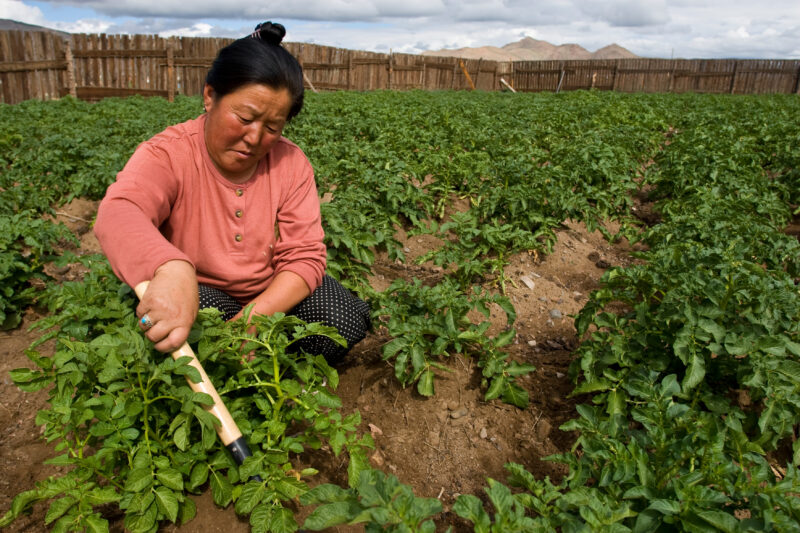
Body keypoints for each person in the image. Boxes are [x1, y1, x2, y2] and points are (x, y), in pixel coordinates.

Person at [94, 22, 370, 364]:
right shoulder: (168, 154)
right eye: (244, 117)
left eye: (272, 127)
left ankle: (271, 370)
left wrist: (253, 322)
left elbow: (305, 257)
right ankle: (242, 364)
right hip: (198, 293)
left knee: (341, 318)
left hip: (268, 298)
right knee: (194, 322)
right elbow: (119, 212)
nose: (255, 138)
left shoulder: (290, 163)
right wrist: (172, 267)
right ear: (210, 96)